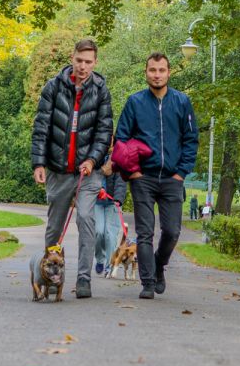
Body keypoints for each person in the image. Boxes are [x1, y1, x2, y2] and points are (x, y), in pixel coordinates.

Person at [31, 38, 113, 299]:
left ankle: (84, 278)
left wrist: (92, 160)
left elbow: (104, 132)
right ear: (72, 57)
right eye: (79, 60)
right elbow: (41, 127)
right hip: (58, 170)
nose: (83, 66)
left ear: (95, 62)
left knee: (86, 218)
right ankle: (49, 276)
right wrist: (38, 163)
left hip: (88, 172)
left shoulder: (101, 91)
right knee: (55, 226)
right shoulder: (53, 88)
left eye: (88, 62)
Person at [115, 52, 199, 299]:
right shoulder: (135, 102)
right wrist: (133, 172)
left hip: (173, 178)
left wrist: (181, 173)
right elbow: (121, 139)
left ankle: (159, 265)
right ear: (146, 73)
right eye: (152, 70)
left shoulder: (182, 102)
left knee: (172, 231)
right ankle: (148, 283)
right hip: (143, 178)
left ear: (169, 72)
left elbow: (191, 139)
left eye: (161, 70)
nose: (157, 74)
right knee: (145, 233)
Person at [94, 169, 127, 275]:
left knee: (110, 234)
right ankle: (100, 259)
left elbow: (121, 182)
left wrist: (118, 199)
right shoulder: (96, 156)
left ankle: (109, 265)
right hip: (96, 203)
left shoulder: (117, 159)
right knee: (99, 232)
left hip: (112, 202)